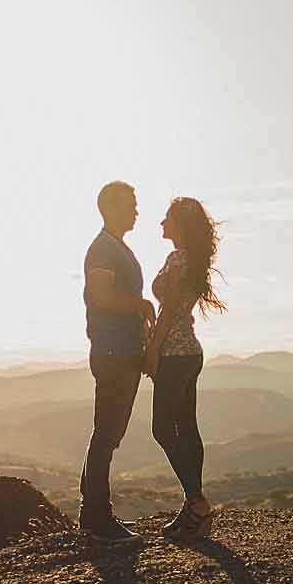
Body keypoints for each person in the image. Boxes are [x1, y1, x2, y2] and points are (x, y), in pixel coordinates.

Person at [144, 195, 224, 539]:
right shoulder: (191, 258)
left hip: (175, 354)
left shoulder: (178, 259)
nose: (162, 223)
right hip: (190, 352)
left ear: (180, 224)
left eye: (168, 218)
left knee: (163, 428)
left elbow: (170, 309)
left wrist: (152, 350)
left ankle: (197, 503)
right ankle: (195, 506)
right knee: (187, 428)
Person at [80, 180, 153, 541]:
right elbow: (100, 297)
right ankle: (96, 516)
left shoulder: (115, 248)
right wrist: (141, 305)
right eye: (130, 205)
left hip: (122, 351)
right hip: (113, 353)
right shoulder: (103, 249)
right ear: (109, 207)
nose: (136, 211)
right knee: (107, 432)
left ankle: (93, 512)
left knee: (108, 433)